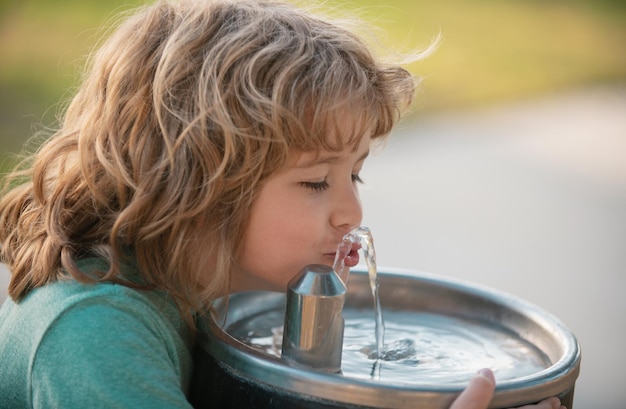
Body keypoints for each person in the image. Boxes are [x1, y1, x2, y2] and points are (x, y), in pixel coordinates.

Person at [0, 0, 565, 408]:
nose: (351, 214)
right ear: (197, 187)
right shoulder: (94, 333)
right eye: (317, 182)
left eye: (356, 177)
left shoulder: (192, 286)